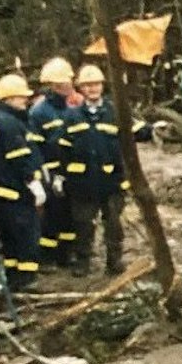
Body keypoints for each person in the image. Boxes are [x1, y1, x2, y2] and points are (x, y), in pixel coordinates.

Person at [60, 63, 147, 275]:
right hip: (83, 183)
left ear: (103, 86)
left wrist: (157, 130)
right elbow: (61, 149)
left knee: (114, 225)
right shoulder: (71, 116)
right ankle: (83, 262)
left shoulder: (115, 112)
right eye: (88, 85)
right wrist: (60, 176)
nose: (93, 89)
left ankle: (114, 261)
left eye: (96, 84)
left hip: (112, 182)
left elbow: (138, 132)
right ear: (80, 88)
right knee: (83, 225)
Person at [0, 73, 49, 293]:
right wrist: (33, 181)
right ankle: (28, 278)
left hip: (1, 191)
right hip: (14, 191)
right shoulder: (10, 124)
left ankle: (14, 277)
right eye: (21, 98)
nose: (25, 101)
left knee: (10, 239)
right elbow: (20, 156)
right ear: (10, 98)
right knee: (26, 233)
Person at [30, 58, 80, 271]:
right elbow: (35, 147)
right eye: (61, 84)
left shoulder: (74, 106)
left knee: (70, 214)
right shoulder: (39, 112)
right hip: (50, 170)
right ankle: (47, 256)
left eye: (68, 82)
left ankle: (66, 253)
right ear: (52, 85)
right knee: (52, 215)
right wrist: (43, 174)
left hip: (71, 169)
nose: (67, 87)